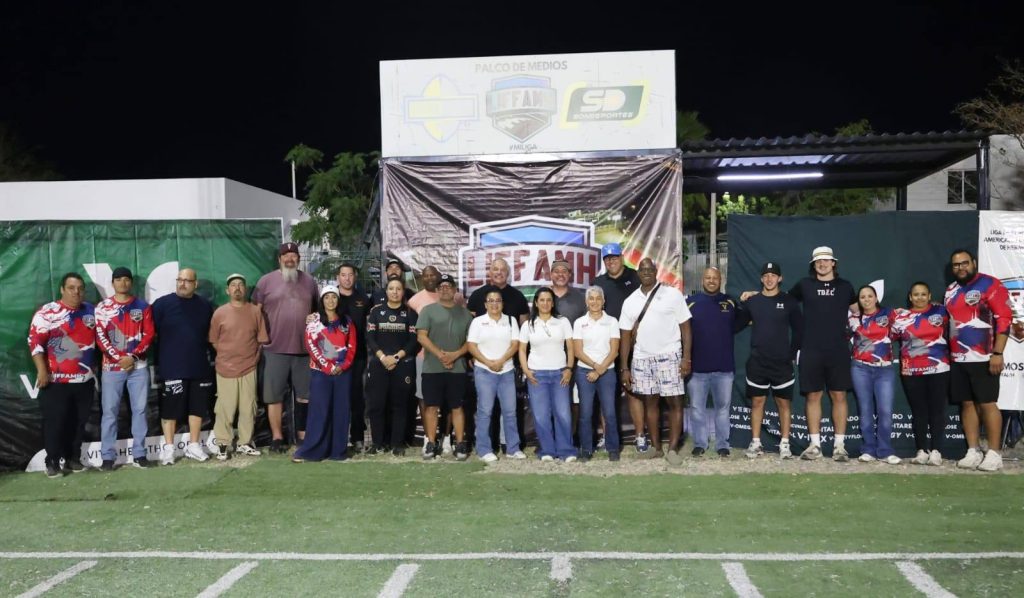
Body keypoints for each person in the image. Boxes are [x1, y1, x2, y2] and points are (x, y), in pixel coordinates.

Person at [742, 247, 857, 461]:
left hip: (838, 350)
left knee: (839, 396)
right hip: (810, 350)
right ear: (813, 265)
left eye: (826, 260)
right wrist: (754, 295)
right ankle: (815, 445)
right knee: (813, 396)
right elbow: (777, 297)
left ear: (833, 263)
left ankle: (839, 446)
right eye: (818, 261)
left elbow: (860, 310)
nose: (822, 264)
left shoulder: (845, 286)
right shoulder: (804, 285)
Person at [618, 258, 692, 465]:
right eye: (643, 270)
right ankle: (656, 448)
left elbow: (686, 327)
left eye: (650, 269)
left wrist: (686, 357)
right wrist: (624, 367)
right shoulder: (630, 301)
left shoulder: (672, 294)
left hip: (670, 355)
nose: (647, 272)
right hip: (642, 358)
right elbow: (625, 336)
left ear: (656, 271)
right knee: (650, 403)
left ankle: (673, 450)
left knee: (675, 402)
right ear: (638, 273)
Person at [945, 249, 1012, 472]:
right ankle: (973, 451)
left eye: (964, 263)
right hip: (958, 357)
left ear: (973, 262)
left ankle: (994, 453)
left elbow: (1004, 319)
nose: (960, 268)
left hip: (984, 356)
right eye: (956, 265)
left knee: (987, 403)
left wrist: (998, 353)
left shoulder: (990, 284)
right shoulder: (951, 290)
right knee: (966, 403)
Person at [28, 272, 97, 477]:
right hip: (57, 380)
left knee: (79, 423)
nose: (76, 292)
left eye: (80, 288)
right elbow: (35, 342)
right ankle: (52, 462)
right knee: (55, 422)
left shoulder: (91, 310)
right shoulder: (48, 312)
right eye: (71, 288)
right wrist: (42, 370)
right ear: (62, 289)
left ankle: (73, 459)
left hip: (84, 380)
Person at [252, 242, 319, 453]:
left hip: (304, 350)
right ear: (279, 259)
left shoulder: (309, 282)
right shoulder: (265, 282)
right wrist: (260, 340)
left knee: (305, 396)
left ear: (298, 258)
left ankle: (303, 437)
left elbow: (316, 312)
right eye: (286, 255)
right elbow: (255, 313)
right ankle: (277, 438)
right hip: (274, 349)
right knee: (274, 396)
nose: (290, 259)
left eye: (293, 255)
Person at [151, 268, 215, 465]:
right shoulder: (162, 305)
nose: (182, 283)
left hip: (198, 366)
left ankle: (194, 445)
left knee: (197, 408)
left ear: (195, 284)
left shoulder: (205, 306)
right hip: (172, 367)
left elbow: (209, 334)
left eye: (187, 281)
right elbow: (152, 333)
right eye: (180, 279)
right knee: (170, 410)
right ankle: (169, 449)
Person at [95, 267, 155, 469]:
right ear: (113, 283)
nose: (123, 283)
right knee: (109, 412)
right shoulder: (103, 308)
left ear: (131, 283)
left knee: (140, 410)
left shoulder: (142, 306)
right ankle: (107, 457)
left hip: (139, 367)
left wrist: (133, 357)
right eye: (118, 279)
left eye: (126, 279)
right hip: (112, 368)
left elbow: (149, 334)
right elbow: (100, 337)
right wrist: (119, 358)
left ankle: (140, 454)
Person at [741, 262, 802, 459]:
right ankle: (755, 442)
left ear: (780, 278)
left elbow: (799, 330)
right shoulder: (752, 301)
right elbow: (737, 323)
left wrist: (791, 354)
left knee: (783, 403)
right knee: (757, 402)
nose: (769, 279)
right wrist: (741, 302)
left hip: (781, 363)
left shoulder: (789, 301)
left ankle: (785, 444)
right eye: (766, 275)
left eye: (773, 275)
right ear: (761, 279)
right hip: (758, 362)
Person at [686, 267, 748, 458]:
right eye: (708, 277)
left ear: (721, 280)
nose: (711, 281)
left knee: (722, 409)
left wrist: (748, 300)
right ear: (702, 280)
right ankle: (700, 443)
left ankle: (722, 444)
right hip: (697, 370)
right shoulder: (690, 302)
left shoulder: (730, 302)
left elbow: (743, 319)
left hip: (724, 369)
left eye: (715, 278)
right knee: (697, 409)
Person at [292, 285, 358, 462]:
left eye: (334, 297)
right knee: (320, 411)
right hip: (321, 373)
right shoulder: (314, 322)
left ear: (338, 300)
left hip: (343, 373)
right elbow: (311, 346)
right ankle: (313, 451)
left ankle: (338, 451)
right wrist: (327, 367)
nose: (331, 301)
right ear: (322, 301)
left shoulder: (347, 322)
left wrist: (343, 365)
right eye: (327, 297)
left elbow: (352, 346)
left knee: (341, 411)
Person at [209, 274, 269, 460]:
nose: (237, 288)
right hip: (225, 369)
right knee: (225, 408)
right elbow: (214, 340)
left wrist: (252, 358)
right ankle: (223, 444)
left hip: (249, 367)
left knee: (248, 407)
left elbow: (261, 339)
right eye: (233, 285)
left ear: (246, 289)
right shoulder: (220, 313)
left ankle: (245, 443)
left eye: (241, 285)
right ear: (227, 290)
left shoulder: (255, 311)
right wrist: (228, 356)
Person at [892, 282, 949, 466]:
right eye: (916, 294)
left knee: (937, 410)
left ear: (929, 295)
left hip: (939, 368)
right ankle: (922, 450)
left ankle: (936, 451)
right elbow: (888, 336)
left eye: (923, 294)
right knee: (919, 411)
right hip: (911, 370)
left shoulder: (942, 312)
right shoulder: (900, 317)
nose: (920, 297)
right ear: (910, 297)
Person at [417, 273, 473, 460]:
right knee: (431, 406)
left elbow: (471, 342)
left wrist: (455, 355)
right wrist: (441, 355)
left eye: (448, 286)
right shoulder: (428, 311)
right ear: (437, 290)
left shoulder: (465, 314)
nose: (445, 289)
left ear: (455, 290)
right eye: (441, 287)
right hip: (432, 368)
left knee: (457, 406)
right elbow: (421, 336)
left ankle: (460, 444)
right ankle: (431, 443)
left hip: (457, 368)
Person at [467, 286, 525, 462]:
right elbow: (471, 346)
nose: (494, 304)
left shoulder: (511, 321)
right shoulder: (478, 322)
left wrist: (501, 361)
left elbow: (515, 345)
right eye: (490, 301)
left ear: (502, 303)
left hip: (506, 371)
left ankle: (512, 448)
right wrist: (488, 362)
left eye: (498, 301)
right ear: (485, 304)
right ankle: (484, 449)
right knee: (485, 411)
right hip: (484, 371)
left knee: (510, 412)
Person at [519, 287, 576, 462]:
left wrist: (569, 368)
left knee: (563, 414)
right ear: (536, 303)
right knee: (540, 415)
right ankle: (547, 451)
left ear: (553, 303)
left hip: (560, 373)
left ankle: (566, 450)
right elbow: (522, 349)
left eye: (549, 300)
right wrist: (526, 370)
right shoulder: (528, 325)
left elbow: (571, 347)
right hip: (537, 375)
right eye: (542, 300)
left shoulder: (562, 322)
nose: (545, 303)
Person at [594, 242, 641, 451]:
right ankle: (607, 437)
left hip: (634, 345)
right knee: (607, 395)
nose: (611, 261)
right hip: (608, 346)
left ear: (621, 257)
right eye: (607, 259)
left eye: (614, 257)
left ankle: (640, 436)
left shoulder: (636, 277)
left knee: (634, 392)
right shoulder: (598, 282)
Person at [365, 279, 419, 456]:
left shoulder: (410, 313)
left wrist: (396, 357)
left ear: (403, 292)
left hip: (402, 364)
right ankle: (377, 443)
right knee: (377, 405)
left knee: (399, 405)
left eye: (398, 289)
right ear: (386, 291)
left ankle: (397, 443)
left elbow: (413, 341)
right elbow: (370, 338)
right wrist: (383, 357)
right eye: (391, 288)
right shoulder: (376, 312)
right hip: (379, 364)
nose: (395, 292)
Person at [848, 284, 899, 464]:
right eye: (862, 297)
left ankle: (885, 451)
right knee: (865, 409)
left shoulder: (889, 314)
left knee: (885, 410)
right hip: (860, 368)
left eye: (870, 296)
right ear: (858, 301)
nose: (867, 299)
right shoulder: (854, 318)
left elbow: (907, 324)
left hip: (884, 369)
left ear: (876, 298)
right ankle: (868, 449)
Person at [572, 286, 621, 461]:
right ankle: (586, 449)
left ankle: (613, 448)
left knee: (609, 412)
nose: (595, 302)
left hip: (607, 371)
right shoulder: (579, 322)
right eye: (591, 298)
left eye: (598, 298)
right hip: (585, 372)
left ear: (603, 301)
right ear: (586, 301)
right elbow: (578, 351)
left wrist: (600, 370)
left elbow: (614, 351)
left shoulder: (612, 321)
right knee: (585, 413)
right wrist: (594, 367)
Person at [336, 263, 370, 451]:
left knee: (357, 397)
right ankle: (338, 437)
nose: (347, 278)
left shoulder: (363, 299)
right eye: (343, 275)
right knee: (338, 397)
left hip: (358, 356)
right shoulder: (331, 298)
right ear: (338, 277)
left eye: (350, 275)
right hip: (334, 357)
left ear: (355, 277)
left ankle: (357, 438)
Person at [466, 258, 530, 322]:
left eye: (503, 270)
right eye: (495, 269)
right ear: (490, 273)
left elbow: (524, 325)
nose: (499, 272)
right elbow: (469, 323)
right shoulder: (476, 295)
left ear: (507, 273)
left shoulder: (518, 296)